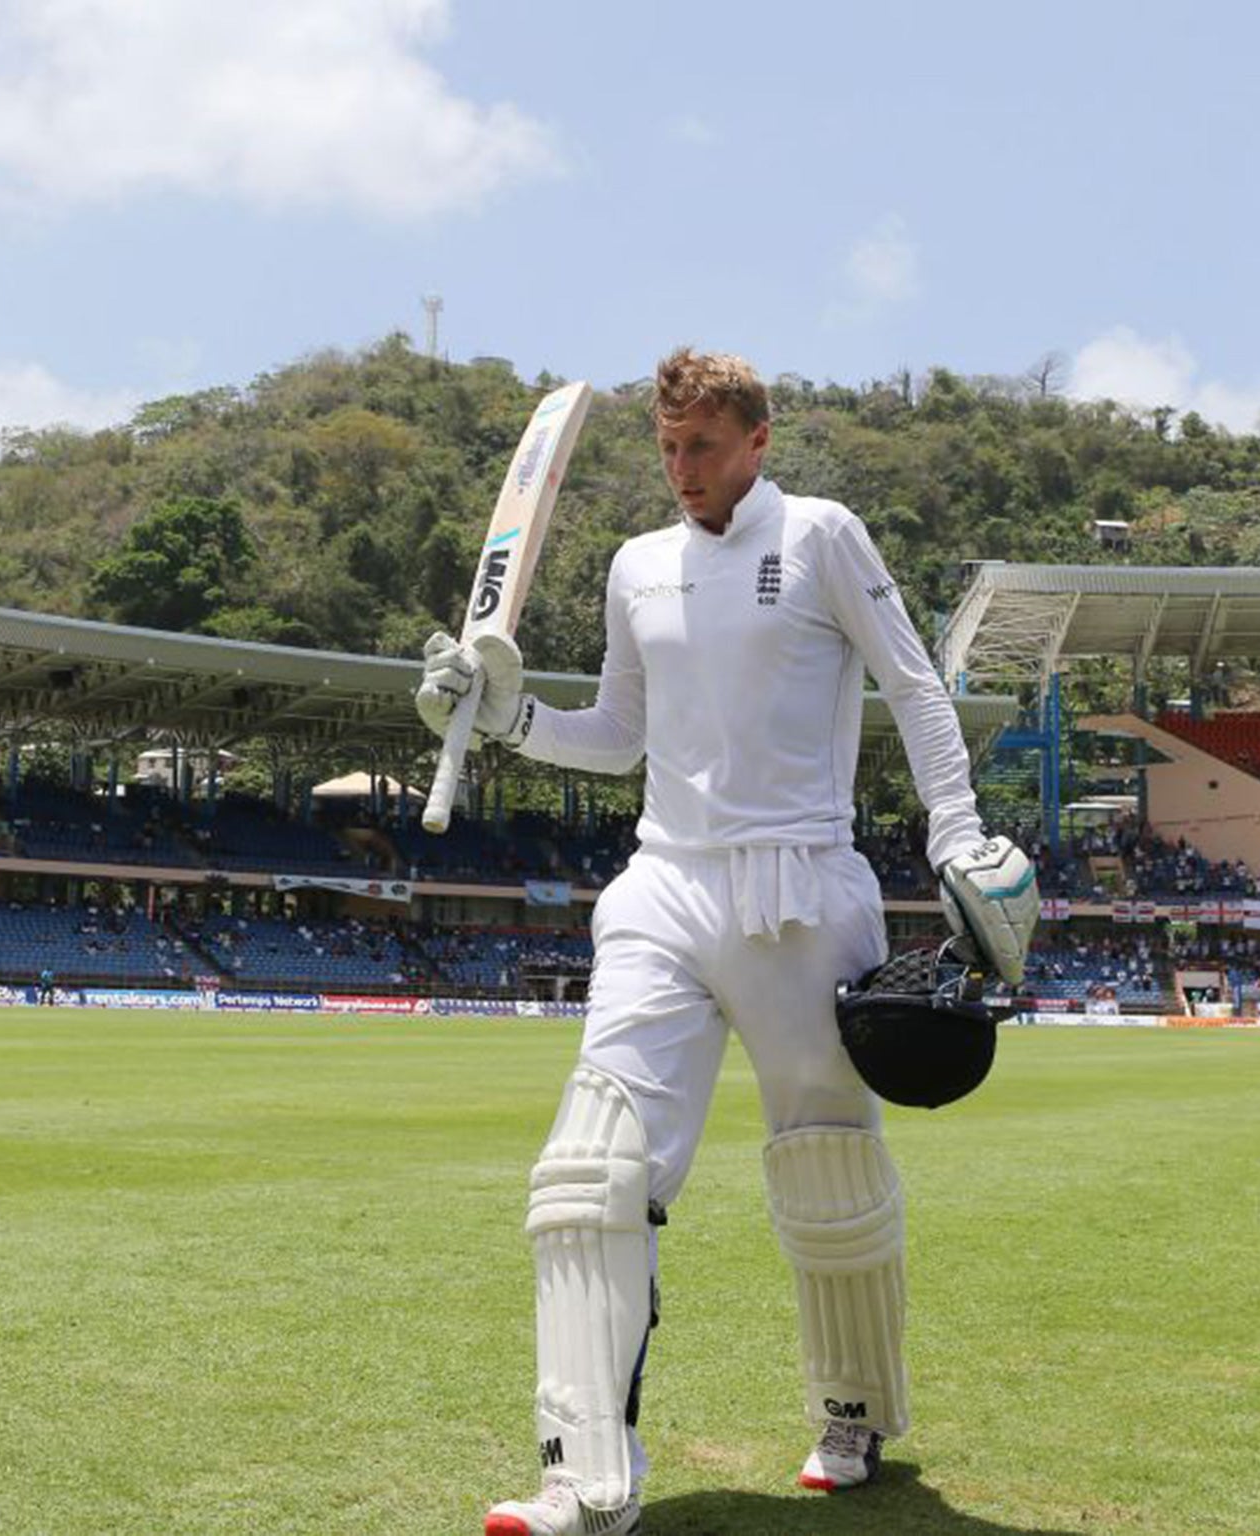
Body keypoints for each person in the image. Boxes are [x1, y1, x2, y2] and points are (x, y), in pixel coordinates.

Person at [418, 349, 1037, 1535]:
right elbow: (615, 734)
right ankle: (582, 1477)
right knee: (586, 1175)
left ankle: (851, 1413)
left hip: (801, 887)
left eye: (702, 447)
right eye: (666, 449)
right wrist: (503, 714)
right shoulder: (636, 566)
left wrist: (953, 838)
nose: (681, 470)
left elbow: (912, 688)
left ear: (757, 441)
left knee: (826, 1172)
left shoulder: (820, 537)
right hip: (662, 885)